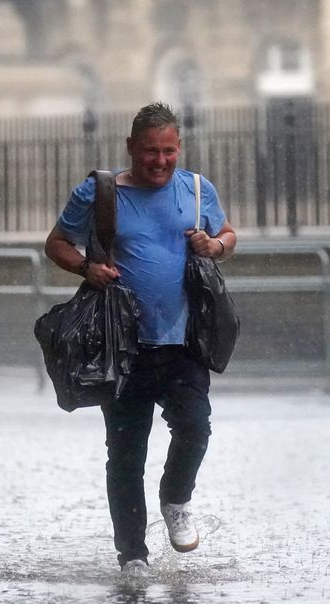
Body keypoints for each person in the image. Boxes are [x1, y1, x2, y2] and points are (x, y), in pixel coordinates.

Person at [43, 102, 237, 577]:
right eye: (151, 151)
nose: (160, 161)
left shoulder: (195, 190)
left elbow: (228, 235)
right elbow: (56, 243)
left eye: (169, 151)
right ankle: (132, 554)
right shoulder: (100, 192)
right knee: (126, 454)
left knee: (195, 426)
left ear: (179, 149)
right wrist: (87, 267)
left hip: (183, 341)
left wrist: (215, 246)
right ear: (131, 147)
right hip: (123, 346)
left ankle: (175, 498)